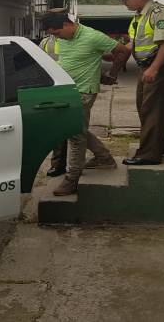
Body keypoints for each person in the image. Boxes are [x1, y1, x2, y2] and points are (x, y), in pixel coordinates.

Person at [41, 12, 132, 196]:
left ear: (67, 24)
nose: (57, 38)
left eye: (58, 33)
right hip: (66, 90)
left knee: (75, 135)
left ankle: (72, 178)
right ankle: (104, 158)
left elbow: (123, 51)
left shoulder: (92, 36)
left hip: (84, 91)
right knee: (74, 128)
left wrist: (112, 74)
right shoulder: (65, 38)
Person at [107, 0, 164, 166]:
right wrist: (114, 52)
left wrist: (154, 68)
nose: (124, 3)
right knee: (144, 107)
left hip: (160, 68)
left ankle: (148, 155)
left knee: (152, 109)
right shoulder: (139, 17)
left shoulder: (159, 14)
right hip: (146, 67)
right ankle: (162, 145)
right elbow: (134, 44)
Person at [38, 8, 67, 177]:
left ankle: (58, 164)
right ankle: (102, 155)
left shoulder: (71, 39)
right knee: (67, 129)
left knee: (65, 130)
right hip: (53, 89)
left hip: (67, 89)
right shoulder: (45, 42)